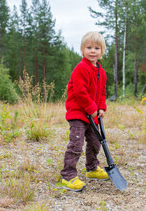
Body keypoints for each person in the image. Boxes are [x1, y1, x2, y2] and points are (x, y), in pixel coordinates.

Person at [60, 31, 109, 192]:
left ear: (102, 51)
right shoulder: (81, 68)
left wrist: (101, 107)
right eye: (89, 47)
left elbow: (102, 92)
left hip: (92, 115)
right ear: (82, 50)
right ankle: (68, 175)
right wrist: (92, 109)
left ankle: (92, 168)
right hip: (78, 114)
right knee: (76, 144)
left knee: (96, 143)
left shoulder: (101, 72)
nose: (92, 51)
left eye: (96, 48)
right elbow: (80, 92)